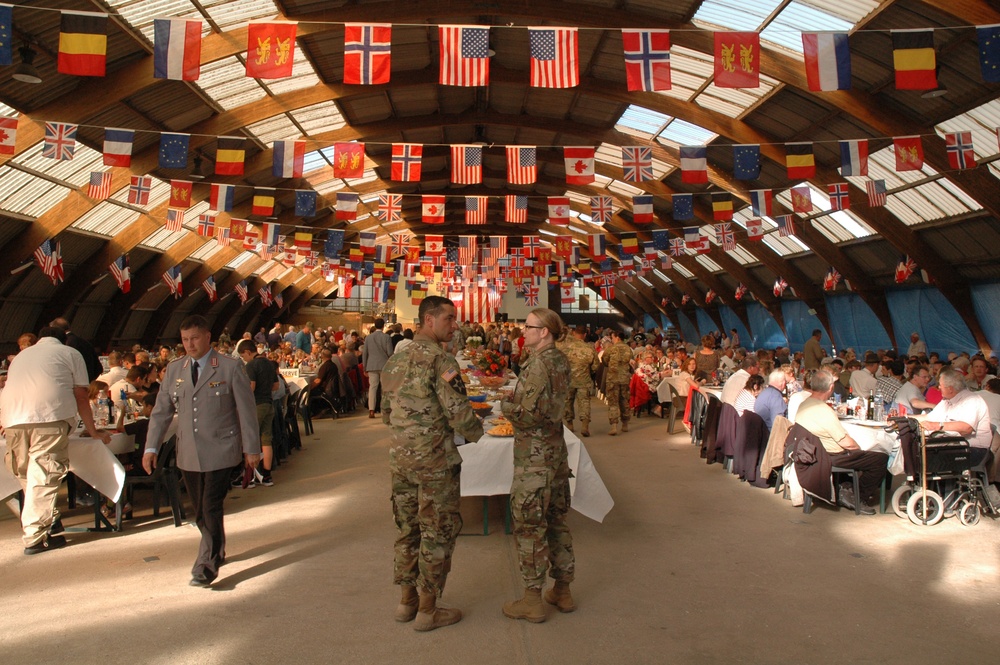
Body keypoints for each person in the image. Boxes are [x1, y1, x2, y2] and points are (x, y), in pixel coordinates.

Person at [380, 296, 483, 632]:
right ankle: (428, 610)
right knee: (437, 532)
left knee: (407, 529)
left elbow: (385, 413)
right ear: (428, 320)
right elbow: (459, 414)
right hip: (435, 462)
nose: (454, 326)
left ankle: (406, 601)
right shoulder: (442, 360)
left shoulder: (395, 361)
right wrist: (482, 433)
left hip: (400, 460)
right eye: (449, 319)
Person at [143, 316, 261, 587]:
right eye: (184, 340)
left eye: (194, 338)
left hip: (222, 449)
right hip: (188, 453)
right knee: (199, 511)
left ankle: (206, 565)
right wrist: (151, 446)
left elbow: (246, 411)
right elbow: (161, 411)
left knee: (210, 505)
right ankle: (217, 551)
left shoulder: (230, 368)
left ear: (208, 337)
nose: (189, 344)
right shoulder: (175, 370)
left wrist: (251, 448)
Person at [1, 327, 112, 554]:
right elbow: (81, 395)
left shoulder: (22, 356)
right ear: (65, 340)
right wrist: (93, 431)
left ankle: (48, 519)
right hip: (49, 418)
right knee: (43, 476)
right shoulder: (70, 354)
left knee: (24, 473)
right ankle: (34, 536)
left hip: (13, 419)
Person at [501, 308, 574, 623]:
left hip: (535, 458)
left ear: (544, 331)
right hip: (556, 454)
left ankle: (532, 600)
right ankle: (562, 589)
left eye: (528, 326)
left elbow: (528, 416)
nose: (523, 331)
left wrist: (506, 406)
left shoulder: (539, 366)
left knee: (530, 527)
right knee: (557, 522)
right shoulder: (559, 360)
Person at [794, 370, 887, 515]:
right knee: (880, 458)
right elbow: (847, 443)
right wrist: (859, 449)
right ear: (831, 388)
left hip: (813, 450)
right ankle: (857, 496)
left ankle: (846, 487)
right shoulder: (824, 411)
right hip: (830, 455)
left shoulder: (805, 404)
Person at [920, 369, 993, 467]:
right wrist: (906, 418)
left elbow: (966, 428)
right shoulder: (947, 400)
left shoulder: (971, 400)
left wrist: (938, 425)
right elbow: (929, 417)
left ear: (950, 388)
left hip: (973, 449)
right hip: (956, 444)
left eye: (941, 385)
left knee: (926, 455)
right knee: (920, 451)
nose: (939, 387)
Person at [237, 339, 279, 487]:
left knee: (251, 439)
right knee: (266, 440)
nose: (243, 359)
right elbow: (276, 385)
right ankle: (267, 475)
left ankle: (249, 477)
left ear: (248, 352)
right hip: (269, 403)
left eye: (243, 356)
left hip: (257, 404)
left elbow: (251, 387)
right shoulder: (269, 363)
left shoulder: (251, 365)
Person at [557, 325, 599, 437]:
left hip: (568, 380)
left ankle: (569, 424)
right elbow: (595, 366)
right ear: (585, 335)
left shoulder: (565, 348)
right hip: (584, 380)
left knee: (567, 402)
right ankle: (585, 426)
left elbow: (559, 364)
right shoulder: (589, 348)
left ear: (573, 334)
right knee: (584, 402)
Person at [601, 330, 633, 436]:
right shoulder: (628, 349)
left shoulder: (611, 348)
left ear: (617, 337)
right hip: (624, 378)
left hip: (613, 378)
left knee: (613, 402)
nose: (612, 339)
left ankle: (614, 425)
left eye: (612, 337)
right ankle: (625, 424)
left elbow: (604, 360)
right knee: (624, 400)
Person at [362, 317, 394, 419]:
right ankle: (384, 409)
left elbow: (365, 353)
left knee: (372, 387)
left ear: (374, 326)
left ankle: (371, 410)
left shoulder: (368, 338)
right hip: (384, 365)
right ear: (383, 326)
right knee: (384, 388)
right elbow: (390, 353)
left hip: (371, 365)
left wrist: (364, 367)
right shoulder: (386, 337)